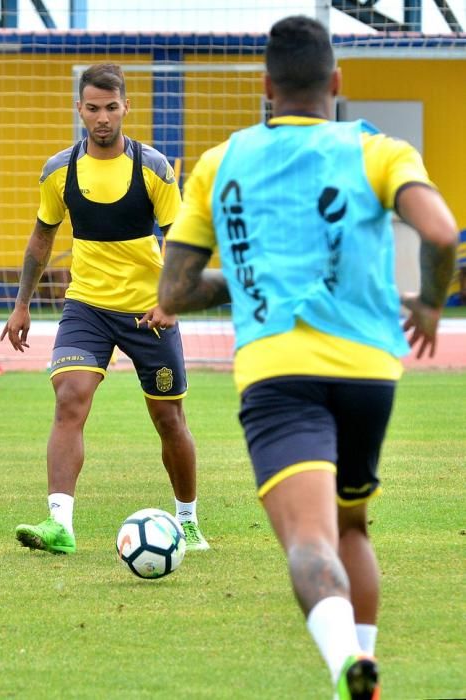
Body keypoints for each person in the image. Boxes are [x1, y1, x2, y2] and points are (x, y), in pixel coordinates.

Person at [157, 15, 457, 700]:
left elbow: (170, 291)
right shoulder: (377, 150)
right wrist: (431, 305)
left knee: (308, 543)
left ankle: (343, 663)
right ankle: (359, 679)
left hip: (277, 370)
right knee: (351, 523)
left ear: (265, 87)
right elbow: (441, 233)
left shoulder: (220, 161)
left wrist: (252, 276)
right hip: (369, 371)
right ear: (337, 83)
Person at [1, 63, 209, 554]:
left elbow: (180, 240)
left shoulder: (153, 167)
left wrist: (172, 301)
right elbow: (41, 238)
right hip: (87, 306)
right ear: (80, 109)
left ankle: (189, 522)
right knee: (70, 398)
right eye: (92, 108)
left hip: (147, 312)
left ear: (125, 108)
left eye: (111, 108)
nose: (102, 118)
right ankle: (60, 525)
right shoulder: (59, 171)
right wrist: (21, 305)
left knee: (169, 420)